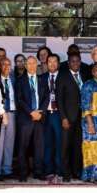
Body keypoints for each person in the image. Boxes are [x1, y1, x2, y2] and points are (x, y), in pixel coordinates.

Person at [15, 56, 49, 182]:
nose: (31, 66)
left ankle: (38, 172)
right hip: (25, 118)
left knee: (39, 146)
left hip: (40, 118)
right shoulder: (19, 81)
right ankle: (23, 172)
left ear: (37, 65)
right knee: (23, 146)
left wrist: (41, 112)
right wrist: (31, 112)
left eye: (34, 63)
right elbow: (19, 100)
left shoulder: (42, 80)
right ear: (25, 65)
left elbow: (46, 97)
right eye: (28, 63)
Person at [57, 52, 87, 182]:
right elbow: (59, 99)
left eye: (77, 61)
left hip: (82, 118)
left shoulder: (84, 75)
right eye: (72, 61)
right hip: (68, 118)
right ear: (68, 63)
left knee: (77, 146)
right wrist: (63, 118)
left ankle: (76, 171)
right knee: (65, 146)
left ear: (80, 62)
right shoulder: (63, 76)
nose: (75, 63)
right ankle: (66, 173)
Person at [41, 53, 62, 181]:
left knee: (59, 143)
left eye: (55, 61)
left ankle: (59, 170)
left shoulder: (64, 77)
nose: (52, 64)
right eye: (50, 62)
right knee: (47, 144)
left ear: (58, 63)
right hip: (46, 115)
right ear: (46, 64)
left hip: (59, 114)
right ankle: (48, 170)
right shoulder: (42, 78)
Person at [0, 57, 16, 180]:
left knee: (9, 143)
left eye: (9, 64)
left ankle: (7, 169)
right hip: (0, 115)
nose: (6, 67)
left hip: (12, 114)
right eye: (3, 64)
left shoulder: (13, 79)